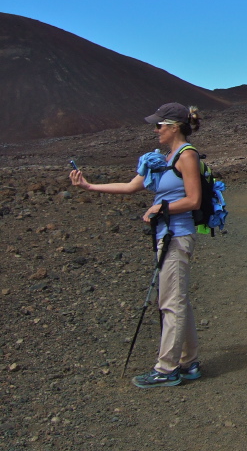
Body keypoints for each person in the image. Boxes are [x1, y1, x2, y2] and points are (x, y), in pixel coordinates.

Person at [70, 102, 203, 388]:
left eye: (159, 125)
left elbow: (194, 200)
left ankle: (167, 369)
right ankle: (188, 363)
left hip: (177, 236)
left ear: (174, 126)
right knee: (178, 299)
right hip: (167, 235)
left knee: (170, 303)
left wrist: (159, 209)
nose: (155, 130)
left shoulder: (186, 156)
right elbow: (132, 186)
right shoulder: (164, 158)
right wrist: (89, 187)